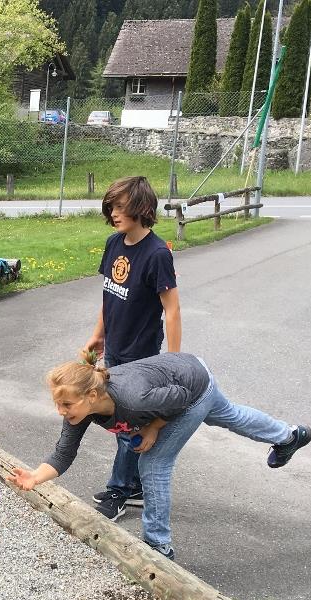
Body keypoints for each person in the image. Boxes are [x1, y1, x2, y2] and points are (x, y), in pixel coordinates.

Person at [7, 353, 311, 561]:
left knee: (154, 463)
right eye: (58, 404)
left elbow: (181, 398)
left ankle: (158, 545)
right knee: (227, 415)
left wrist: (153, 428)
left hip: (191, 388)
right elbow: (64, 452)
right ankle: (289, 436)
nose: (60, 411)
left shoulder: (134, 400)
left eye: (66, 405)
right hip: (188, 371)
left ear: (92, 396)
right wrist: (35, 477)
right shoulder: (80, 408)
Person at [82, 176, 181, 524]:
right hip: (116, 352)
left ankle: (120, 491)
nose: (114, 213)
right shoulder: (113, 244)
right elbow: (110, 294)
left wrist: (174, 358)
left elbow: (172, 309)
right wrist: (99, 336)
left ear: (142, 208)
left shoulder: (156, 255)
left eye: (121, 207)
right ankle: (135, 485)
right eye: (111, 207)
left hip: (141, 356)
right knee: (122, 420)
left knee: (125, 423)